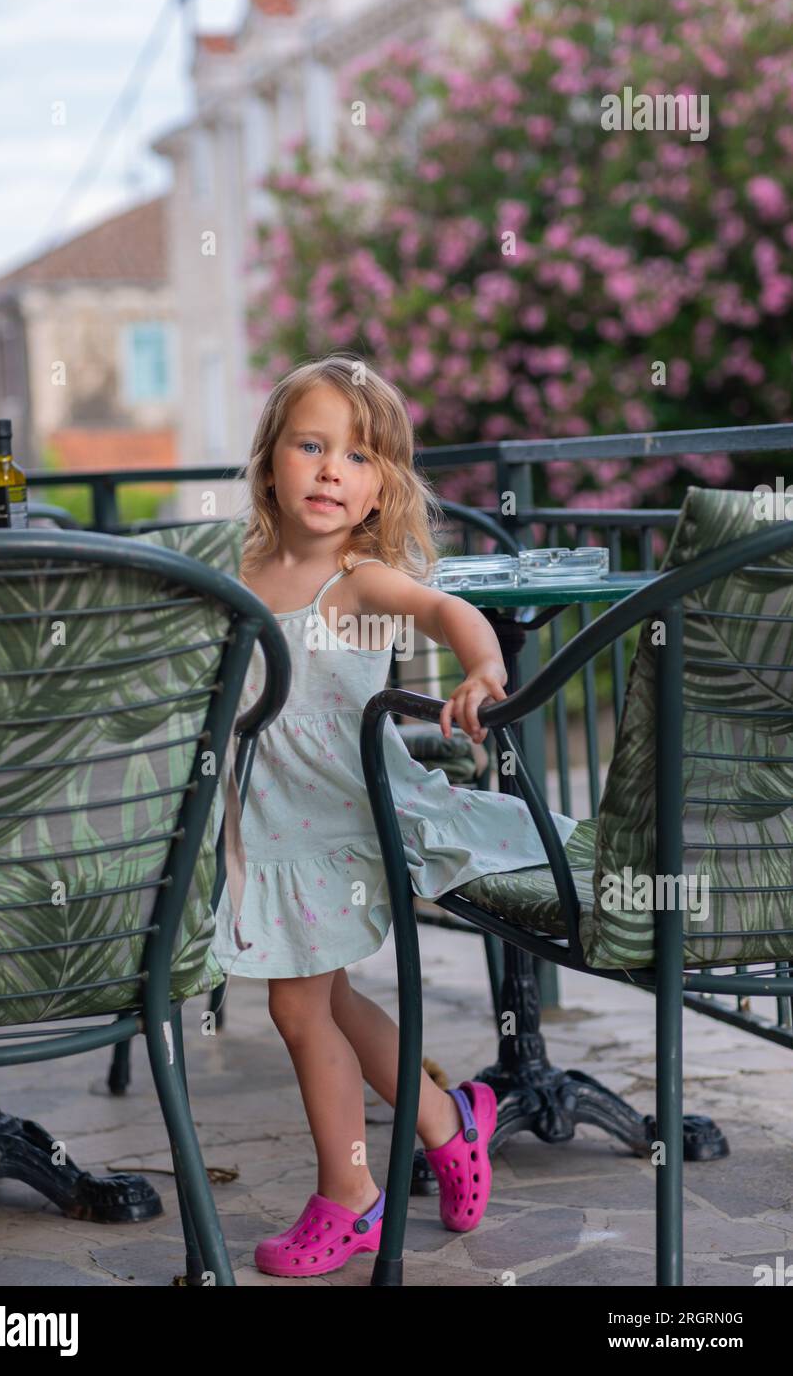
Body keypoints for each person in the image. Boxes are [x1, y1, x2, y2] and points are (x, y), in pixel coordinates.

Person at [211, 352, 578, 1278]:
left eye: (362, 456)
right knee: (328, 999)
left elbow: (451, 610)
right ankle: (451, 1126)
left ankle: (351, 1194)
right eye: (312, 445)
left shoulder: (357, 584)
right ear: (270, 461)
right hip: (267, 824)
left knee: (298, 1008)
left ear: (381, 489)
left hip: (338, 819)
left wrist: (483, 670)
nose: (334, 469)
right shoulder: (239, 568)